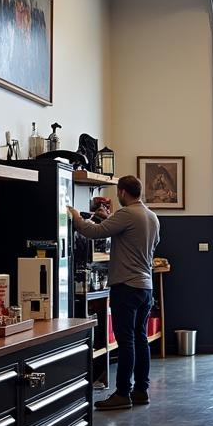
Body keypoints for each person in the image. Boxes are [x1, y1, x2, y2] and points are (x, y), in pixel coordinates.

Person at [69, 175, 160, 409]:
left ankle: (122, 394)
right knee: (140, 339)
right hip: (145, 287)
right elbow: (134, 238)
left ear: (121, 193)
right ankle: (141, 390)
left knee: (126, 341)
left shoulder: (127, 214)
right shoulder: (151, 216)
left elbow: (95, 232)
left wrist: (77, 218)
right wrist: (108, 219)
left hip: (126, 287)